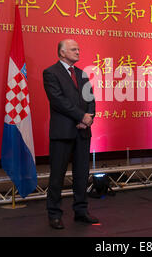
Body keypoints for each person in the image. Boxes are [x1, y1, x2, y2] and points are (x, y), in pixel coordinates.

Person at [43, 39, 98, 230]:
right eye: (74, 49)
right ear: (62, 52)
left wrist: (89, 116)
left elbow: (90, 98)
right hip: (62, 133)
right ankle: (54, 214)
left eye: (79, 49)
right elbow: (58, 101)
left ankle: (81, 211)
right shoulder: (51, 73)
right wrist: (81, 116)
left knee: (82, 174)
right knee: (57, 176)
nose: (78, 52)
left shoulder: (82, 74)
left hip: (83, 133)